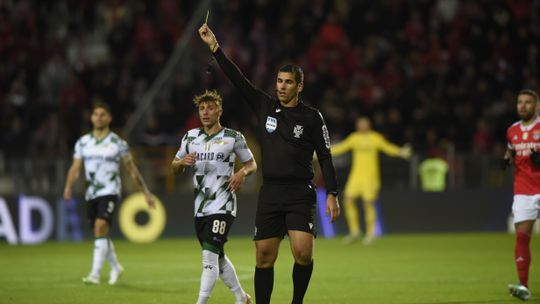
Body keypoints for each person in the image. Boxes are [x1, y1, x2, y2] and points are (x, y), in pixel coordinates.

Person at [198, 24, 340, 304]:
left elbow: (325, 155)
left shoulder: (312, 118)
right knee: (264, 257)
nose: (282, 87)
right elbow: (238, 80)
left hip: (300, 192)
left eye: (288, 82)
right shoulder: (265, 106)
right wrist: (215, 47)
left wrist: (333, 193)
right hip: (271, 192)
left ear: (300, 86)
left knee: (303, 253)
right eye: (279, 81)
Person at [171, 90, 256, 304]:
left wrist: (241, 173)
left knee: (208, 256)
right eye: (202, 108)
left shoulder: (233, 137)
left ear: (220, 110)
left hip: (224, 204)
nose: (205, 112)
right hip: (201, 207)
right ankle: (241, 297)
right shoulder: (190, 137)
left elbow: (251, 164)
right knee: (217, 255)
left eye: (210, 108)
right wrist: (181, 164)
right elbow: (174, 167)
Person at [63, 101, 156, 285]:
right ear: (91, 118)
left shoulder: (118, 143)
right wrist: (68, 187)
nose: (99, 117)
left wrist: (145, 192)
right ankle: (116, 267)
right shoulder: (83, 142)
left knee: (99, 227)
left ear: (109, 118)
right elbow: (75, 167)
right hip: (91, 193)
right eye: (95, 114)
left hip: (110, 191)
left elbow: (131, 169)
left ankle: (95, 274)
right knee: (100, 233)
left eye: (102, 114)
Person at [331, 116, 411, 245]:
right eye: (360, 124)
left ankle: (370, 233)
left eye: (364, 124)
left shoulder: (375, 138)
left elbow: (387, 147)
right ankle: (355, 232)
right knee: (348, 200)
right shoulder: (354, 138)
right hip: (356, 176)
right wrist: (322, 152)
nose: (362, 126)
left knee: (368, 203)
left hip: (370, 177)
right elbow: (340, 147)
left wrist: (400, 152)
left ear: (369, 125)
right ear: (357, 125)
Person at [504, 89, 540, 301]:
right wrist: (507, 158)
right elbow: (511, 150)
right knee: (521, 237)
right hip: (524, 191)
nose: (523, 106)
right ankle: (523, 286)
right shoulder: (512, 130)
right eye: (520, 102)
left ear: (537, 107)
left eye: (528, 103)